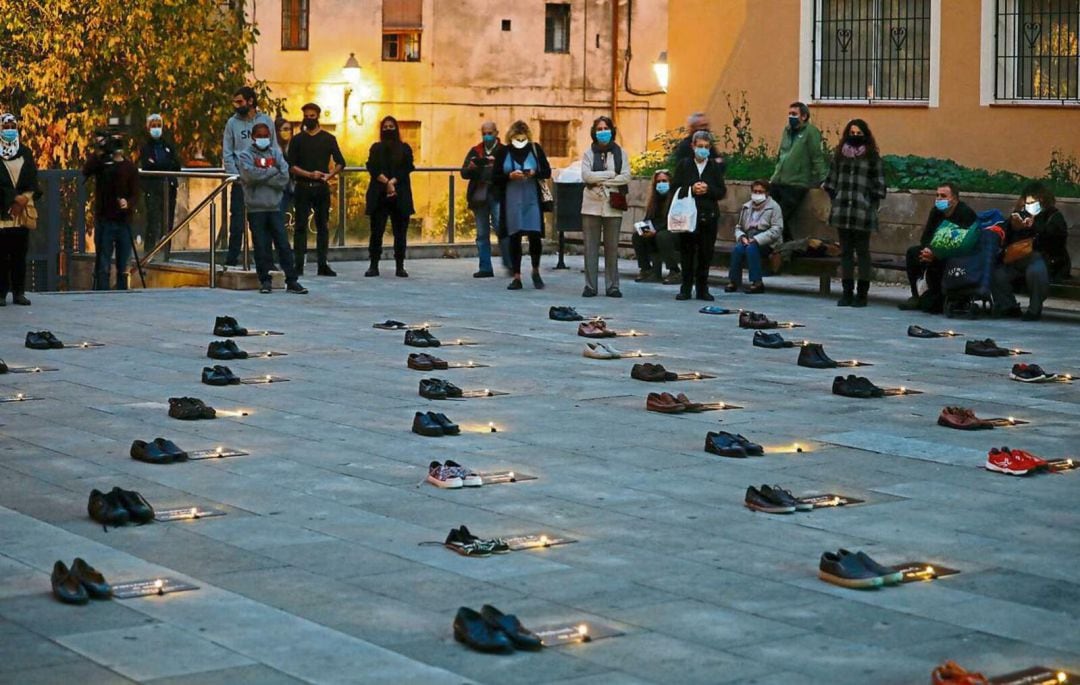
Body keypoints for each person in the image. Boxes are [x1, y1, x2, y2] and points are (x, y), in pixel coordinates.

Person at [237, 122, 307, 296]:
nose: (263, 139)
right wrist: (271, 171)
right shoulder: (245, 155)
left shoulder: (276, 153)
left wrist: (264, 176)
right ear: (253, 137)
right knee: (261, 246)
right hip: (256, 208)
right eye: (259, 136)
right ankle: (265, 280)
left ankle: (292, 280)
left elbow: (284, 176)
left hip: (275, 207)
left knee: (283, 244)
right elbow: (249, 176)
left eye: (266, 135)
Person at [823, 118, 886, 308]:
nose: (855, 137)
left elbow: (879, 185)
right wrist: (835, 197)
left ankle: (862, 294)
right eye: (852, 133)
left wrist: (869, 202)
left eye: (859, 133)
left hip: (862, 210)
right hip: (843, 208)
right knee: (846, 253)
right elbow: (831, 181)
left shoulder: (872, 157)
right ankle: (847, 292)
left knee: (863, 252)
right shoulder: (840, 155)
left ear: (865, 135)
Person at [991, 182, 1071, 321]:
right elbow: (1006, 237)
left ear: (1043, 200)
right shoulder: (1020, 214)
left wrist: (1035, 226)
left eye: (1034, 202)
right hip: (1018, 260)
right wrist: (1013, 226)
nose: (1030, 205)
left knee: (1035, 269)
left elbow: (1055, 242)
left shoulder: (1053, 217)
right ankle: (1009, 306)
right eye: (1028, 202)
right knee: (997, 273)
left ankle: (1034, 310)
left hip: (1047, 261)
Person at [898, 183, 977, 313]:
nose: (939, 199)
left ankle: (938, 297)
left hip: (957, 255)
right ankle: (917, 295)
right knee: (913, 253)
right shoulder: (936, 211)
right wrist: (928, 250)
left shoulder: (965, 213)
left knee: (940, 261)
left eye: (943, 196)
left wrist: (937, 253)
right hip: (935, 251)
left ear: (954, 199)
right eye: (937, 195)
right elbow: (926, 236)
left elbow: (963, 243)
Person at [492, 120, 551, 291]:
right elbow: (495, 177)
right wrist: (509, 176)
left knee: (534, 236)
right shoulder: (504, 151)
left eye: (522, 137)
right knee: (514, 237)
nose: (519, 140)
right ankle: (516, 275)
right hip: (511, 200)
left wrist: (534, 173)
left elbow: (547, 171)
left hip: (532, 199)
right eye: (516, 137)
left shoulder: (535, 149)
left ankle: (535, 270)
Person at [288, 103, 345, 277]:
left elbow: (341, 162)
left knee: (322, 226)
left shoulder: (328, 138)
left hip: (321, 187)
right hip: (303, 187)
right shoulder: (297, 140)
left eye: (312, 116)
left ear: (318, 116)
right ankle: (298, 264)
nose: (309, 118)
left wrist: (329, 176)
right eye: (306, 115)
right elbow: (291, 166)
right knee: (300, 227)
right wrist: (308, 174)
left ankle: (322, 264)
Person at [223, 86, 276, 266]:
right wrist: (235, 176)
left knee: (261, 223)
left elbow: (274, 150)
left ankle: (265, 260)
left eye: (240, 102)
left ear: (250, 101)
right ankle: (232, 259)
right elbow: (228, 153)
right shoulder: (232, 123)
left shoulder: (266, 121)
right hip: (241, 182)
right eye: (235, 102)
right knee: (237, 223)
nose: (236, 106)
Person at [580, 116, 632, 298]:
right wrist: (610, 175)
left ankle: (613, 286)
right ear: (594, 132)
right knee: (590, 248)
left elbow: (625, 176)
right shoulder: (588, 153)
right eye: (599, 129)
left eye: (606, 128)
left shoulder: (620, 153)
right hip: (591, 205)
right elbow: (586, 176)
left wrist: (602, 179)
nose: (603, 132)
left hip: (613, 205)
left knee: (612, 247)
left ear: (612, 130)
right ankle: (590, 286)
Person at [671, 130, 726, 301]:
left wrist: (708, 189)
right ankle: (685, 288)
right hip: (688, 216)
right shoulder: (684, 165)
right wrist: (691, 189)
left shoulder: (714, 167)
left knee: (705, 254)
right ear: (693, 147)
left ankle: (703, 288)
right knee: (687, 253)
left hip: (708, 216)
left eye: (706, 147)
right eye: (700, 146)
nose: (703, 150)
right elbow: (675, 188)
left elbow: (721, 191)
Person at [83, 127, 139, 290]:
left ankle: (121, 293)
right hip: (105, 219)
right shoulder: (102, 165)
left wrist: (127, 203)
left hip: (124, 221)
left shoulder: (129, 168)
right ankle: (102, 292)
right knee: (103, 263)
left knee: (123, 265)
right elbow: (86, 170)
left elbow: (135, 193)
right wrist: (100, 150)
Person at [365, 116, 415, 278]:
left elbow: (407, 167)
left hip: (400, 195)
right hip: (378, 195)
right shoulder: (375, 148)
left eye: (391, 126)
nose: (388, 129)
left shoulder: (405, 148)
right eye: (385, 126)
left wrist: (392, 182)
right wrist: (387, 182)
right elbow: (372, 167)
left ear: (396, 128)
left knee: (400, 233)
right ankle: (373, 265)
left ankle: (400, 266)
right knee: (376, 232)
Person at [771, 102, 829, 242]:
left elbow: (816, 156)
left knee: (781, 217)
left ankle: (789, 248)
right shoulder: (787, 131)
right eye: (790, 114)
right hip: (779, 181)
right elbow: (782, 155)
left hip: (796, 183)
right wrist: (774, 176)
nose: (791, 117)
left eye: (794, 114)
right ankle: (787, 247)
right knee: (772, 216)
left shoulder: (810, 132)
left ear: (804, 116)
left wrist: (824, 178)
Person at [0, 113, 40, 306]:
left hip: (22, 213)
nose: (9, 129)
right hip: (2, 212)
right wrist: (12, 198)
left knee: (19, 254)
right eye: (5, 126)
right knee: (1, 256)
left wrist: (23, 199)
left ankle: (19, 292)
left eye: (12, 125)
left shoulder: (25, 152)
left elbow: (32, 179)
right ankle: (1, 294)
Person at [461, 121, 508, 278]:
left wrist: (497, 165)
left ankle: (509, 262)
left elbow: (510, 171)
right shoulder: (476, 151)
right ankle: (485, 267)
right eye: (484, 133)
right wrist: (471, 168)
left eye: (490, 133)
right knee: (482, 233)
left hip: (497, 194)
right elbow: (463, 172)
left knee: (500, 228)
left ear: (496, 132)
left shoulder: (503, 151)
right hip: (479, 195)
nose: (487, 136)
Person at [727, 179, 783, 294]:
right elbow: (739, 227)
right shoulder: (746, 207)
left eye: (760, 191)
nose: (757, 194)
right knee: (738, 249)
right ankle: (734, 281)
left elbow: (777, 229)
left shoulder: (774, 207)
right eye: (755, 191)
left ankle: (757, 282)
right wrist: (741, 236)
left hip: (767, 241)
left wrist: (757, 239)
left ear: (767, 193)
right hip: (748, 236)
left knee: (751, 248)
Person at [139, 113, 181, 261]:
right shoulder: (145, 147)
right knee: (153, 220)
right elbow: (148, 165)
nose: (156, 129)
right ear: (148, 128)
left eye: (158, 126)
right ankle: (149, 252)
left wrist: (164, 166)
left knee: (167, 222)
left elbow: (176, 164)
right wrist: (163, 165)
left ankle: (166, 253)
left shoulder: (168, 146)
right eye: (153, 126)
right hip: (153, 188)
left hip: (169, 188)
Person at [632, 169, 680, 284]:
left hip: (672, 231)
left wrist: (656, 230)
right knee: (637, 236)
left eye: (664, 181)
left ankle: (674, 270)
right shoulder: (654, 200)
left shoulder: (676, 198)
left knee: (662, 236)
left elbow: (673, 220)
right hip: (656, 231)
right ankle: (646, 269)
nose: (661, 184)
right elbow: (649, 218)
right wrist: (644, 228)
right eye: (658, 182)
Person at [275, 117, 295, 216]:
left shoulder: (294, 147)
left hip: (293, 187)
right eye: (284, 129)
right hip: (278, 190)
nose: (287, 132)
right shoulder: (272, 149)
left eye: (289, 129)